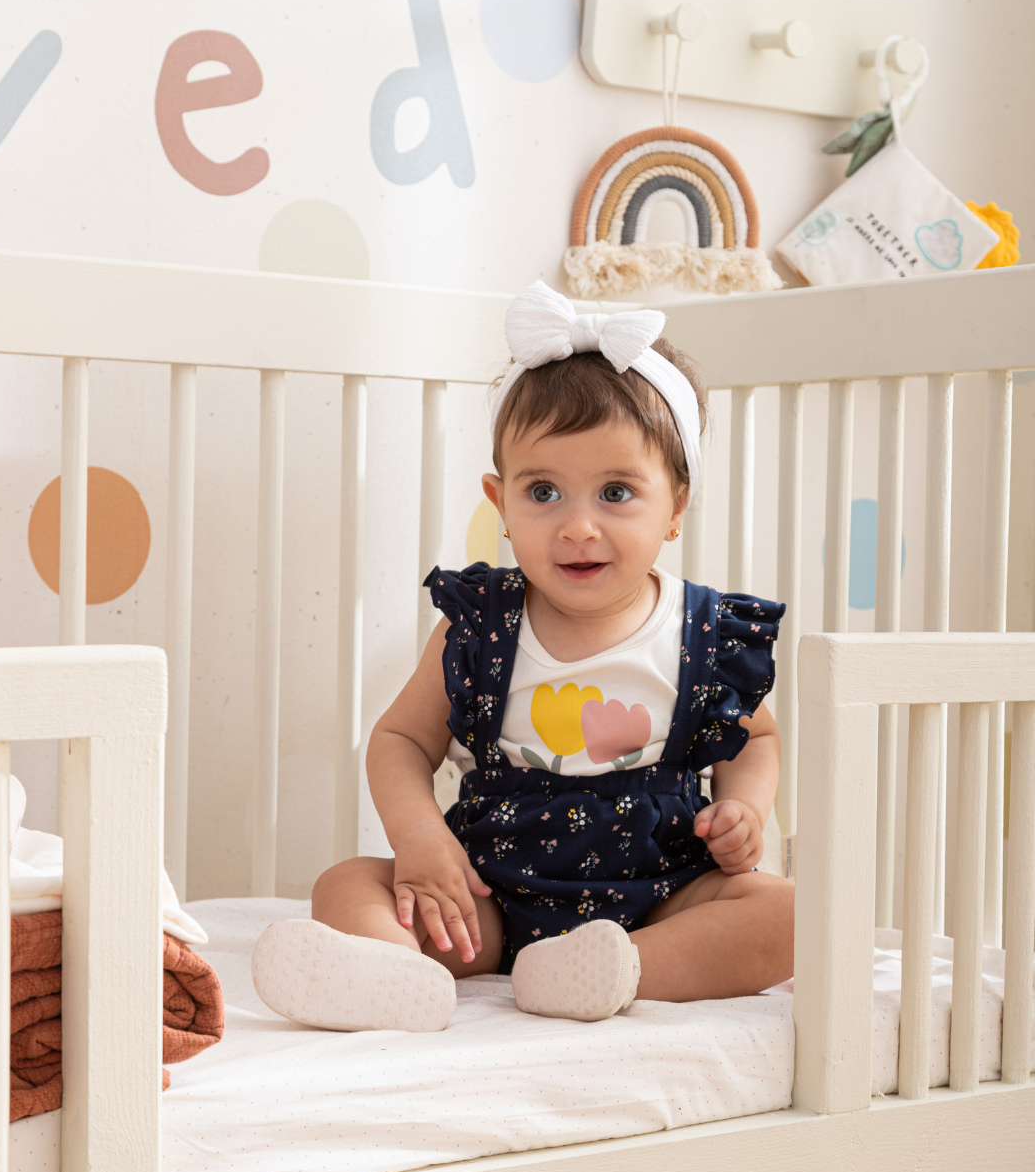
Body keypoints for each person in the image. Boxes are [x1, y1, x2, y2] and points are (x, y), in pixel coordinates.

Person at [251, 281, 793, 1033]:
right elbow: (400, 739)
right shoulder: (482, 624)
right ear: (499, 501)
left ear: (676, 505)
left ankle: (616, 971)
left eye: (615, 492)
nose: (577, 526)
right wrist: (420, 840)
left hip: (662, 893)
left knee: (788, 913)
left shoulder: (703, 631)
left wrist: (745, 808)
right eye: (543, 491)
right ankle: (394, 976)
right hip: (490, 893)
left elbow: (755, 740)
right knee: (346, 883)